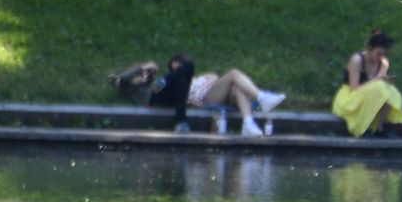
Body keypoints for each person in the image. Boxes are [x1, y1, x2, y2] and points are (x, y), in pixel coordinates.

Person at [110, 56, 285, 136]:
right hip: (152, 99)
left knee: (181, 81)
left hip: (163, 92)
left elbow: (161, 74)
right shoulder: (128, 86)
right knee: (226, 73)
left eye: (149, 75)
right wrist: (142, 69)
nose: (146, 76)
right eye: (144, 75)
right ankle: (261, 97)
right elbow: (122, 78)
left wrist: (151, 71)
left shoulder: (154, 82)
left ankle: (248, 123)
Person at [333, 29, 402, 137]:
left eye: (384, 54)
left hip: (371, 95)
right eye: (378, 54)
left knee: (389, 90)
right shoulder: (357, 60)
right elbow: (354, 89)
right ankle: (362, 128)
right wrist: (377, 80)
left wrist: (386, 81)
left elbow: (380, 84)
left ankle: (380, 128)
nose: (380, 57)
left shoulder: (383, 62)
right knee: (379, 86)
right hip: (349, 97)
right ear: (370, 49)